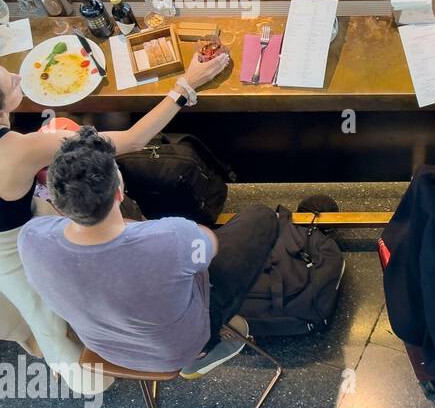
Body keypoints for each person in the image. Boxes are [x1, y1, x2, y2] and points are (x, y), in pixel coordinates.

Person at [0, 53, 228, 392]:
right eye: (9, 80)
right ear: (118, 193)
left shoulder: (24, 157)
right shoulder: (19, 151)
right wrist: (186, 85)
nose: (19, 77)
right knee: (45, 319)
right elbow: (133, 139)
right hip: (11, 245)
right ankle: (91, 381)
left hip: (21, 223)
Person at [17, 124, 276, 380]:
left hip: (104, 348)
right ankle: (205, 349)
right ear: (119, 193)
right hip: (179, 350)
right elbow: (209, 247)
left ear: (58, 204)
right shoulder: (174, 237)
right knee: (261, 217)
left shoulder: (30, 239)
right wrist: (172, 234)